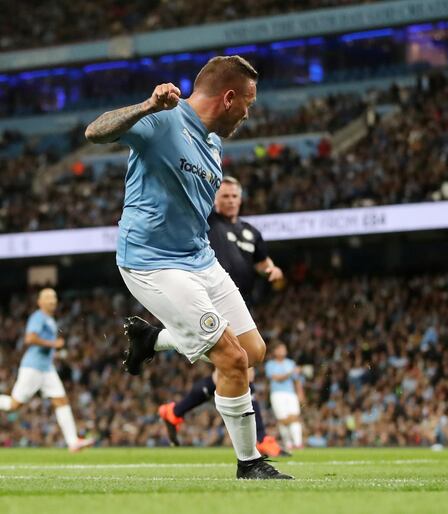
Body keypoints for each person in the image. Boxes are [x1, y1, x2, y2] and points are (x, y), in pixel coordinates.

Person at [84, 55, 291, 480]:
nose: (249, 113)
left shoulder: (214, 143)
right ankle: (250, 463)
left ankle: (153, 340)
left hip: (199, 259)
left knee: (253, 352)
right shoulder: (163, 119)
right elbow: (95, 131)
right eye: (248, 103)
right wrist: (145, 106)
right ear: (229, 97)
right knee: (231, 358)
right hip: (152, 262)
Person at [158, 176, 289, 458]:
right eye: (224, 196)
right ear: (215, 200)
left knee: (231, 369)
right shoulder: (207, 222)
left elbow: (265, 265)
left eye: (233, 196)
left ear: (240, 199)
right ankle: (261, 439)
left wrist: (274, 272)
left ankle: (175, 411)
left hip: (239, 305)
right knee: (241, 365)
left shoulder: (251, 233)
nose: (229, 200)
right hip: (209, 300)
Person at [0, 288, 95, 452]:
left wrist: (57, 354)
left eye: (54, 298)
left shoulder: (50, 319)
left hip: (46, 368)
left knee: (61, 400)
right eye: (48, 298)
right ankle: (73, 441)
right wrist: (54, 345)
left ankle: (73, 442)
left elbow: (44, 345)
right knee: (14, 405)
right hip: (34, 367)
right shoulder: (38, 317)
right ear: (40, 302)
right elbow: (29, 338)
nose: (53, 301)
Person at [265, 343, 305, 450]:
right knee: (283, 419)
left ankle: (298, 443)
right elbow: (276, 378)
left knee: (295, 416)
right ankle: (288, 443)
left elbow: (297, 380)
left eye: (284, 348)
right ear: (275, 352)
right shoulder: (270, 364)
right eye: (280, 348)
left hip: (291, 393)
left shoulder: (291, 363)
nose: (283, 350)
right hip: (277, 394)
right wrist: (291, 372)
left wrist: (300, 393)